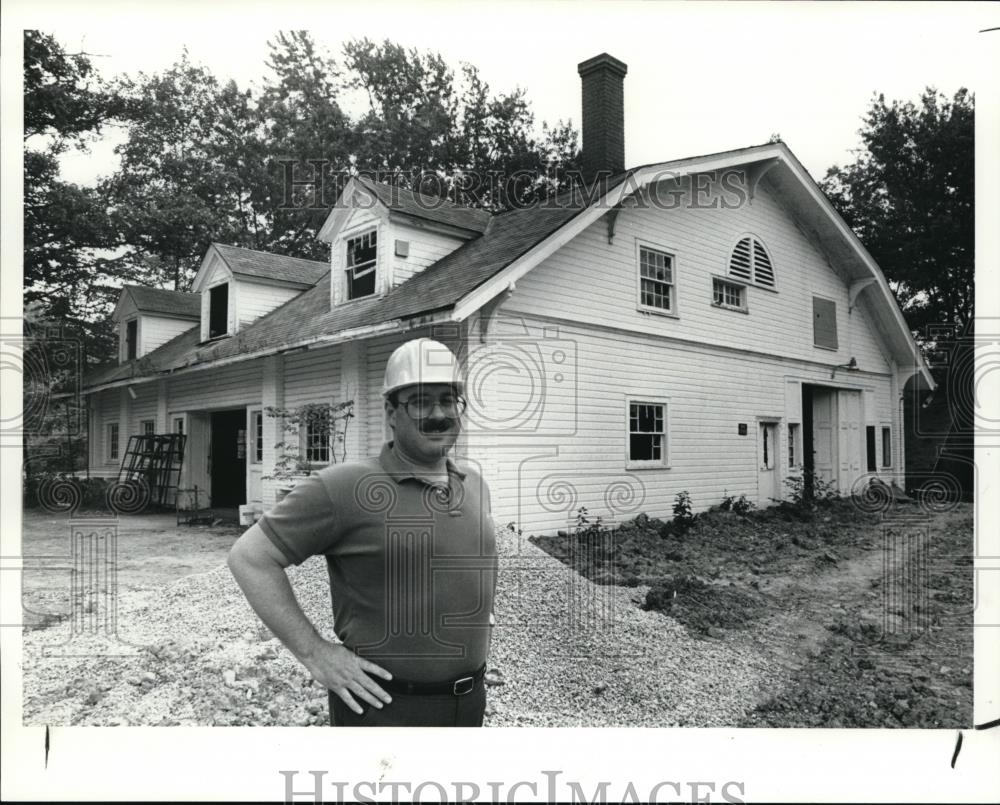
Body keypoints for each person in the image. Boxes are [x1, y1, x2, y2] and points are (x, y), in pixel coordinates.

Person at [227, 338, 498, 727]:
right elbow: (250, 558)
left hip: (469, 702)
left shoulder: (474, 485)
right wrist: (315, 654)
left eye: (448, 399)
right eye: (420, 401)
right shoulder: (343, 488)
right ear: (390, 411)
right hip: (383, 709)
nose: (439, 414)